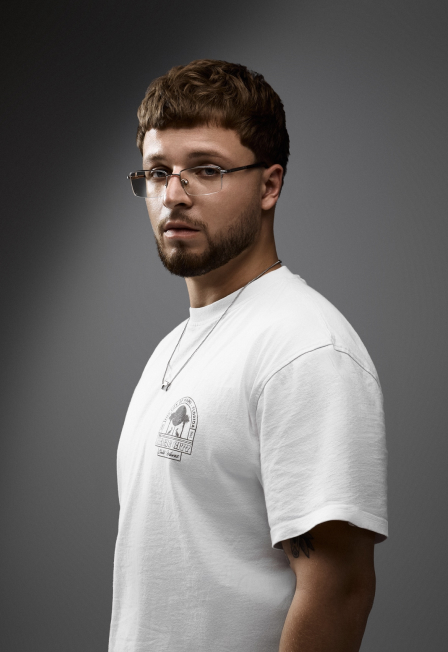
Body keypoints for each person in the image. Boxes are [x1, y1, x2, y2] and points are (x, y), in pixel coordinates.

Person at [109, 59, 388, 652]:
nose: (173, 195)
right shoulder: (171, 349)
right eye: (158, 172)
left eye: (206, 170)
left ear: (269, 185)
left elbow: (339, 590)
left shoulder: (304, 347)